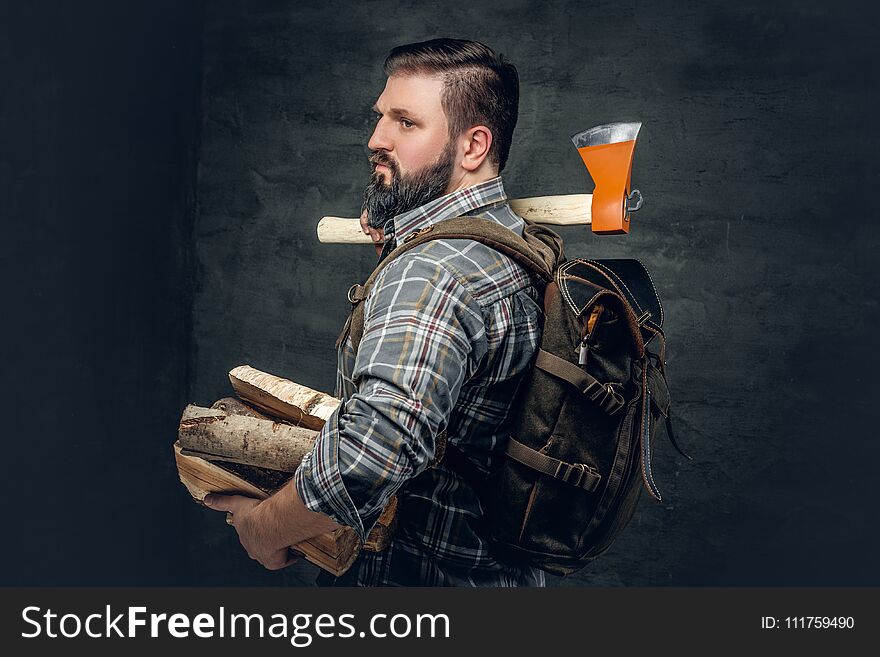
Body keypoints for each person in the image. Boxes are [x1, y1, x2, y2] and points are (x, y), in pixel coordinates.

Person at [205, 38, 545, 586]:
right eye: (380, 117)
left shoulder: (430, 273)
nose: (375, 139)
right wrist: (401, 235)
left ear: (473, 145)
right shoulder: (514, 242)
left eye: (406, 123)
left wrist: (265, 529)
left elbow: (374, 449)